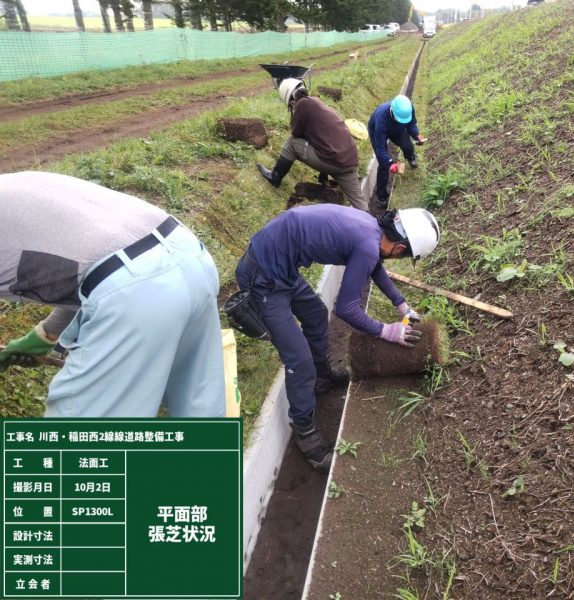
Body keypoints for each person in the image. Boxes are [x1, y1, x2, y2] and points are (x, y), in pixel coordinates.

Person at [0, 171, 225, 418]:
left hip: (135, 290)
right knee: (196, 406)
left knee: (85, 437)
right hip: (188, 254)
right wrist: (44, 336)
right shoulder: (17, 185)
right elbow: (88, 263)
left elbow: (109, 275)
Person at [234, 204, 440, 472]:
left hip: (280, 264)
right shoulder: (368, 245)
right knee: (299, 359)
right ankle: (304, 429)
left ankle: (322, 377)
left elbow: (374, 266)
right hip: (263, 276)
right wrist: (387, 330)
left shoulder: (371, 230)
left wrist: (401, 305)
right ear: (400, 249)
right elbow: (347, 308)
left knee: (317, 314)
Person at [257, 78, 368, 211]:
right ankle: (373, 226)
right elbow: (322, 138)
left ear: (290, 98)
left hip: (335, 161)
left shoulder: (302, 105)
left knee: (292, 143)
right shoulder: (315, 102)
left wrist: (294, 110)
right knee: (359, 203)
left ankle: (275, 177)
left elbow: (296, 133)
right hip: (349, 161)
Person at [368, 94, 427, 210]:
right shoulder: (381, 118)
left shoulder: (408, 109)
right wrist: (390, 163)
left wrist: (417, 135)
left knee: (407, 146)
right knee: (383, 165)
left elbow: (411, 125)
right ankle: (381, 196)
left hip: (397, 129)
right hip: (377, 131)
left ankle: (411, 157)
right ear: (393, 112)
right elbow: (380, 148)